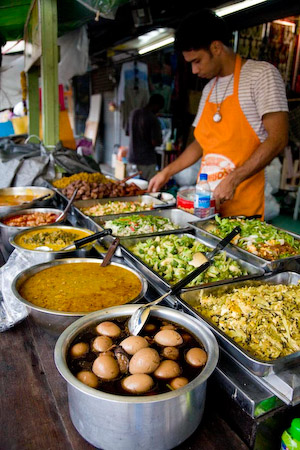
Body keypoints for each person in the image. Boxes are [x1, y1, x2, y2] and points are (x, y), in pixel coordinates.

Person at [148, 9, 289, 218]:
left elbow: (278, 139)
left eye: (197, 61)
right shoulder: (209, 89)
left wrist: (233, 179)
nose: (194, 71)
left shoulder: (261, 75)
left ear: (216, 47)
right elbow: (200, 144)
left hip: (242, 211)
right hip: (205, 207)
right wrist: (166, 172)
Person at [127, 94, 164, 181]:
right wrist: (161, 140)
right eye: (160, 107)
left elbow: (128, 132)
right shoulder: (153, 119)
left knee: (131, 189)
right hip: (146, 161)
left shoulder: (133, 113)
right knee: (148, 190)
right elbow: (155, 142)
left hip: (131, 159)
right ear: (156, 105)